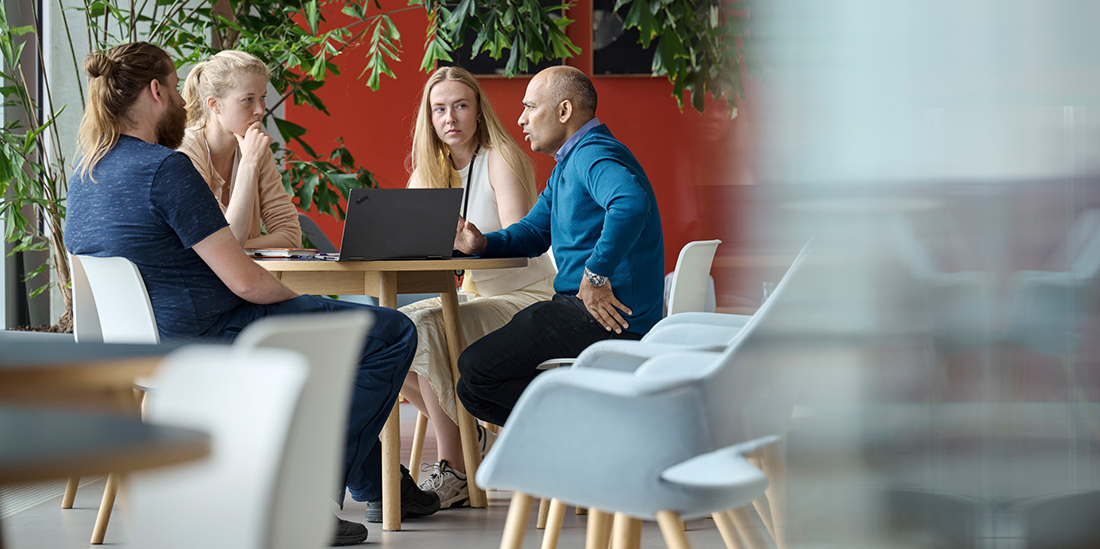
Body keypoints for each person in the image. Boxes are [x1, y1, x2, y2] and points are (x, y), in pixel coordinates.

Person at [63, 42, 438, 546]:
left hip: (143, 348)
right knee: (390, 332)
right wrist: (313, 304)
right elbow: (244, 280)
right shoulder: (165, 168)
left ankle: (375, 482)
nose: (180, 100)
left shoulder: (84, 174)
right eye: (175, 89)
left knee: (339, 342)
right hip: (212, 333)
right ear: (156, 91)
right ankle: (309, 502)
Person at [454, 65, 665, 426]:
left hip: (609, 316)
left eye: (530, 107)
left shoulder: (592, 154)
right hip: (582, 310)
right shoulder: (569, 164)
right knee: (472, 383)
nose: (521, 119)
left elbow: (630, 202)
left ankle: (597, 422)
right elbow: (534, 233)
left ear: (564, 111)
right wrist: (481, 243)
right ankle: (588, 429)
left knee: (475, 370)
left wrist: (596, 275)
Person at [398, 67, 556, 508]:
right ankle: (474, 442)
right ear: (429, 119)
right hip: (475, 296)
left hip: (526, 295)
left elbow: (517, 241)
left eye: (461, 105)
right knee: (392, 333)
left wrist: (466, 246)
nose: (451, 117)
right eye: (440, 109)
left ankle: (458, 468)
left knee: (428, 327)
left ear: (479, 112)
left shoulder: (499, 156)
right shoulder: (428, 172)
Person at [177, 50, 301, 248]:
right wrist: (249, 163)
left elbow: (290, 237)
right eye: (248, 100)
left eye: (262, 97)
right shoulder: (184, 152)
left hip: (238, 275)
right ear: (214, 105)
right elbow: (226, 245)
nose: (260, 110)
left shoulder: (254, 148)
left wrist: (238, 246)